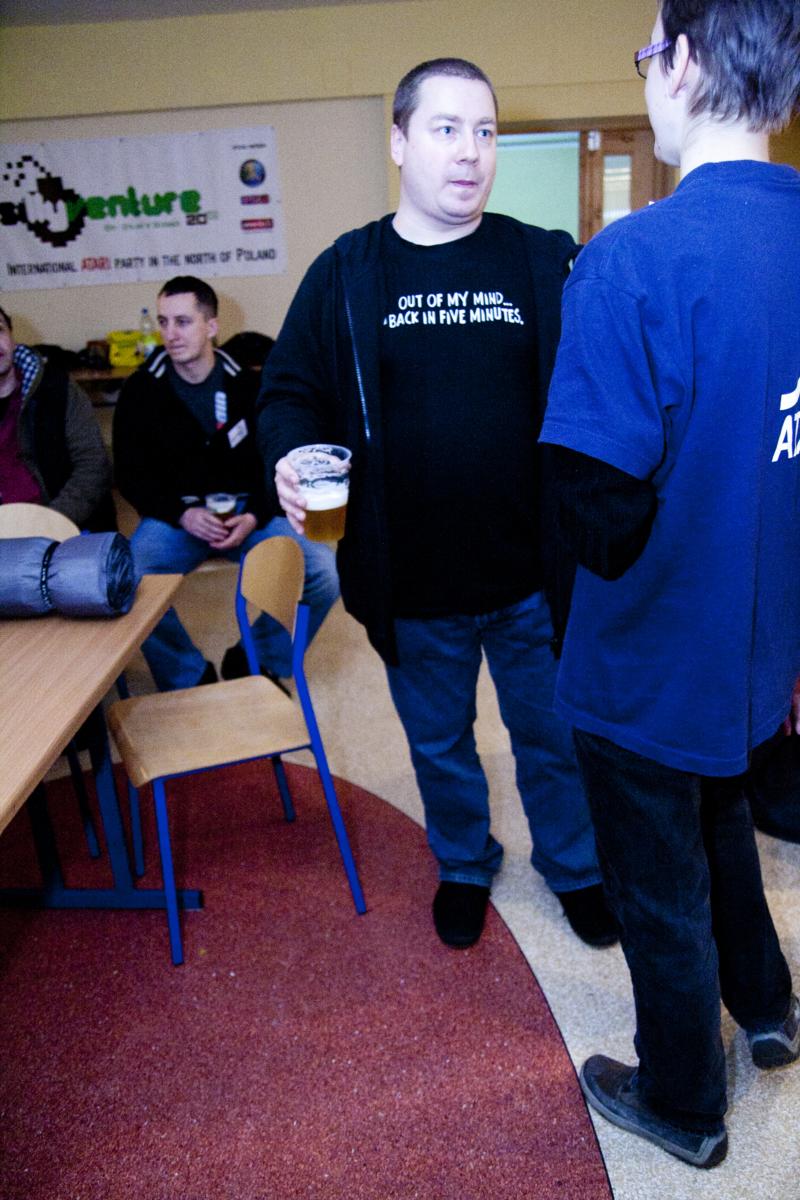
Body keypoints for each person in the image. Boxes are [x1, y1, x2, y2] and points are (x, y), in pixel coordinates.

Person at [257, 58, 616, 951]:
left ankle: (574, 866)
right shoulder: (347, 271)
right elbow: (289, 392)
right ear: (399, 142)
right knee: (439, 744)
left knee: (553, 739)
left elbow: (603, 381)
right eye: (446, 129)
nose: (470, 152)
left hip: (534, 575)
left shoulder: (541, 258)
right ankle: (463, 862)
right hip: (411, 581)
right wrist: (290, 455)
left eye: (485, 131)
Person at [540, 0, 800, 1169]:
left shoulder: (630, 259)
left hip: (649, 650)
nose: (646, 75)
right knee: (721, 812)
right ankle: (769, 1006)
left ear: (683, 63)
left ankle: (684, 1104)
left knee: (657, 883)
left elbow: (598, 517)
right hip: (756, 642)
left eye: (648, 53)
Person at [113, 276, 339, 691]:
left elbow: (275, 459)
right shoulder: (141, 390)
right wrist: (183, 514)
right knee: (130, 576)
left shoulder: (249, 384)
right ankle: (187, 674)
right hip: (178, 519)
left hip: (249, 513)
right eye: (163, 322)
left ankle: (257, 659)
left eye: (183, 322)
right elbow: (130, 473)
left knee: (325, 572)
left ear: (211, 326)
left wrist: (254, 514)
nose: (170, 334)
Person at [0, 303, 114, 530]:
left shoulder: (58, 388)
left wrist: (51, 521)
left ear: (12, 337)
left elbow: (93, 465)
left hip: (63, 522)